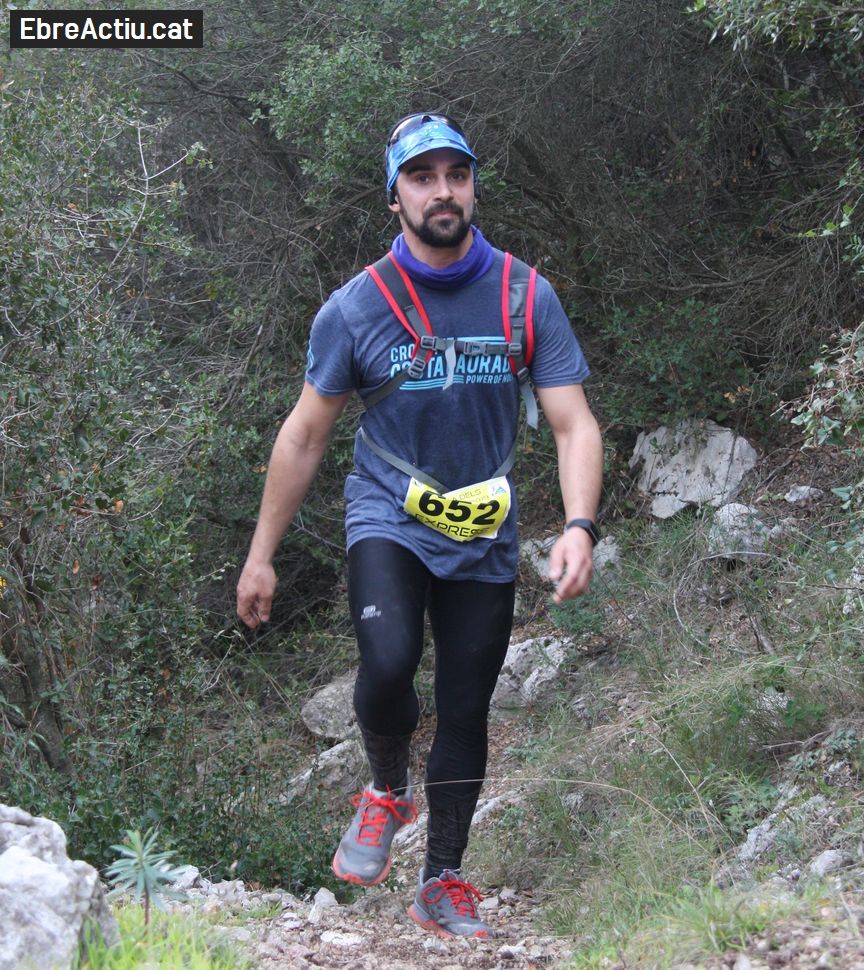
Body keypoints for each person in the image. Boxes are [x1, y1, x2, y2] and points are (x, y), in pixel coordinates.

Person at [236, 111, 602, 940]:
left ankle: (442, 880)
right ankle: (384, 786)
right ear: (394, 197)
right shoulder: (355, 307)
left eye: (457, 175)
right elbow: (304, 436)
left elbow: (574, 423)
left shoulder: (523, 294)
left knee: (466, 707)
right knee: (389, 656)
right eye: (423, 177)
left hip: (483, 529)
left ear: (473, 187)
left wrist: (580, 525)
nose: (443, 191)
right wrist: (262, 556)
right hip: (388, 514)